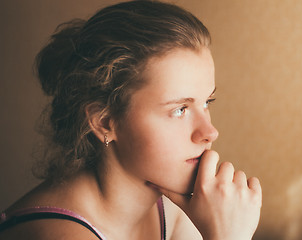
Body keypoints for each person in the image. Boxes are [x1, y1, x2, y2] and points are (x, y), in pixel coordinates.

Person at [0, 1, 262, 239]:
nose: (210, 132)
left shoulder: (177, 207)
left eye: (207, 103)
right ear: (104, 122)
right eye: (180, 109)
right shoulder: (58, 235)